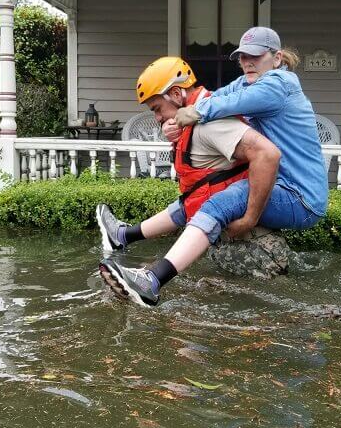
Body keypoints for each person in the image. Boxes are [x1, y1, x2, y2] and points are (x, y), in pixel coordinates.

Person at [100, 27, 328, 307]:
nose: (247, 63)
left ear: (277, 58)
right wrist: (176, 122)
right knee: (203, 195)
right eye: (243, 57)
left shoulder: (279, 84)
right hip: (283, 186)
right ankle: (123, 236)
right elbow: (217, 96)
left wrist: (250, 219)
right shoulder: (248, 82)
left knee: (219, 203)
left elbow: (234, 109)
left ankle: (152, 281)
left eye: (255, 56)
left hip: (300, 196)